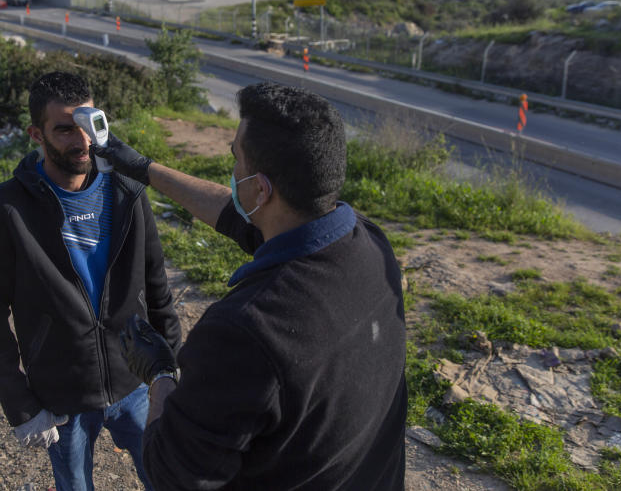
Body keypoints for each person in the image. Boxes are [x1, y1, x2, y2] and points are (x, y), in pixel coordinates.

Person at [97, 82, 407, 490]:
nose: (231, 169)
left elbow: (172, 473)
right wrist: (144, 168)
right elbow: (239, 217)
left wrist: (159, 376)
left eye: (235, 160)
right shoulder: (368, 244)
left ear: (261, 189)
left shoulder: (245, 332)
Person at [0, 71, 182, 491]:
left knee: (169, 479)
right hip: (61, 394)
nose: (81, 141)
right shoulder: (9, 207)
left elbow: (157, 289)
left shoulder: (127, 192)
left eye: (86, 126)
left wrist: (170, 371)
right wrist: (21, 405)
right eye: (64, 130)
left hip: (136, 383)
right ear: (37, 133)